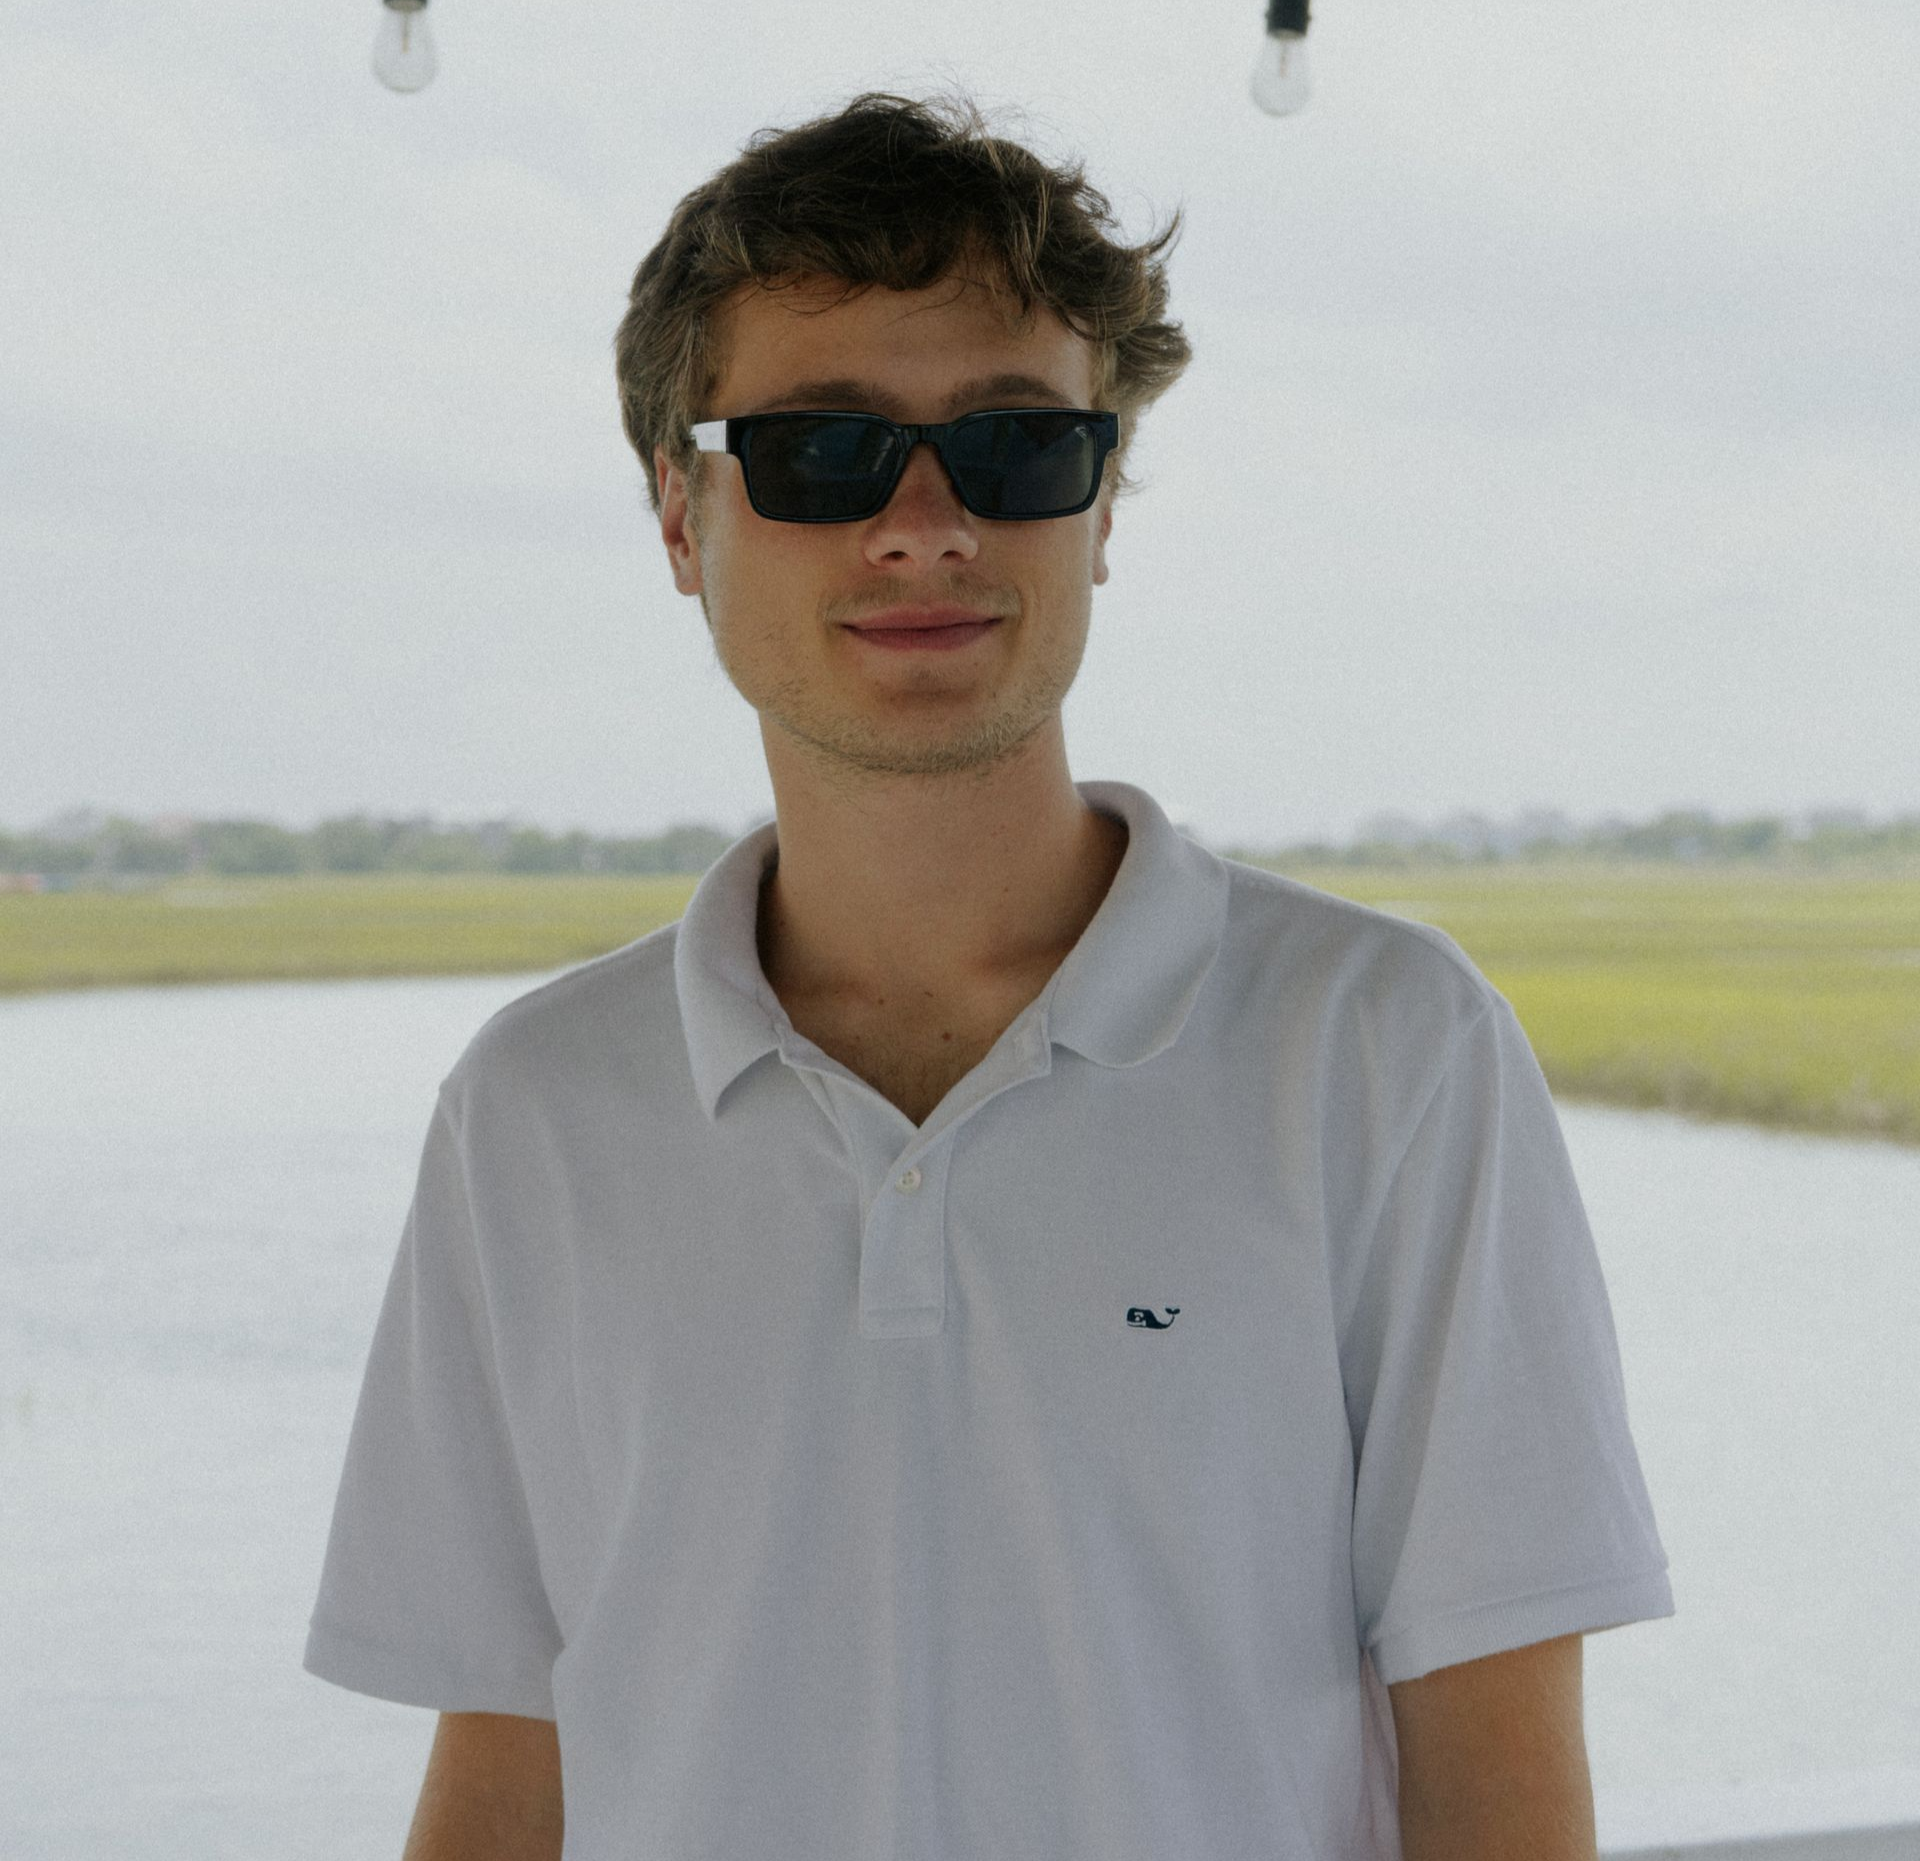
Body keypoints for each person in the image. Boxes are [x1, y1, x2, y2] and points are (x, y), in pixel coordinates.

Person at [303, 87, 1673, 1861]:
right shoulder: (536, 1108)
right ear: (678, 516)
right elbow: (508, 1764)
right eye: (821, 450)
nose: (926, 525)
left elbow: (1498, 1773)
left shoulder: (1382, 1049)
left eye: (1017, 446)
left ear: (1100, 509)